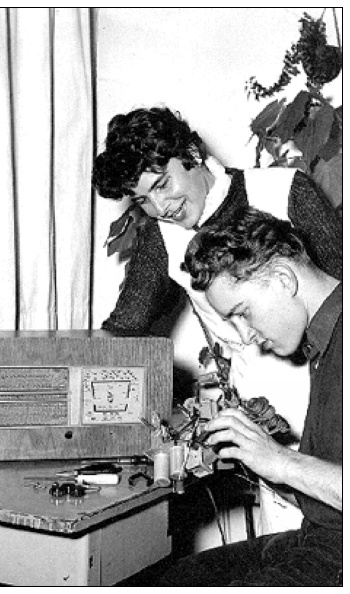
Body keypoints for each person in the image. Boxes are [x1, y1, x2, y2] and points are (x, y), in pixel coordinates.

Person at [93, 106, 342, 533]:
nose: (160, 207)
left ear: (191, 154)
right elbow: (124, 328)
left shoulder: (284, 190)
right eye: (142, 200)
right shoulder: (163, 238)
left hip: (335, 398)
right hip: (265, 421)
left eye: (162, 184)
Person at [158, 206, 342, 587]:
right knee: (179, 579)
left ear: (283, 278)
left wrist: (280, 461)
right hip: (319, 539)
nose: (245, 336)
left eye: (243, 312)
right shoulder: (325, 341)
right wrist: (250, 454)